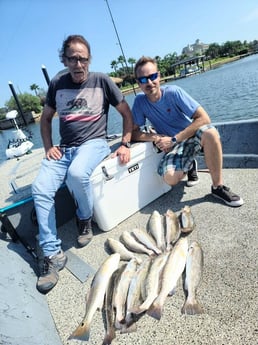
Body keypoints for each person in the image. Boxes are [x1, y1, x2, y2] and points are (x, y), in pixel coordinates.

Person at [32, 35, 133, 294]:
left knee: (77, 175)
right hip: (63, 149)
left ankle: (84, 219)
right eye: (73, 58)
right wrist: (48, 147)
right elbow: (45, 120)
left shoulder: (102, 81)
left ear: (89, 60)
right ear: (64, 60)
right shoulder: (57, 82)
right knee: (40, 188)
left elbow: (126, 113)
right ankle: (53, 254)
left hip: (94, 143)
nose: (79, 64)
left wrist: (125, 143)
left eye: (83, 58)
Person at [131, 56, 243, 208]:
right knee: (170, 178)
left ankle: (218, 187)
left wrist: (174, 139)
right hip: (175, 146)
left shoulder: (174, 92)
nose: (149, 83)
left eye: (152, 77)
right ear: (138, 83)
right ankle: (190, 165)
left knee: (211, 133)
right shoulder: (139, 102)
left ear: (159, 76)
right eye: (143, 80)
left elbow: (204, 118)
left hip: (188, 136)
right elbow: (134, 133)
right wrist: (155, 137)